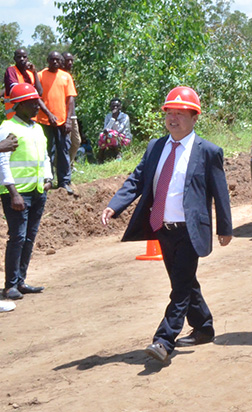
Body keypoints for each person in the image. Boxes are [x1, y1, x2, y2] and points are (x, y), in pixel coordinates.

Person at [100, 86, 232, 362]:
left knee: (180, 287)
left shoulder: (208, 151)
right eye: (169, 113)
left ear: (194, 117)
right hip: (162, 227)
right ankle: (204, 327)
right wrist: (115, 205)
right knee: (184, 281)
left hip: (191, 230)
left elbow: (220, 193)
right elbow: (137, 180)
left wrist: (225, 228)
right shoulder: (156, 147)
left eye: (181, 113)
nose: (173, 118)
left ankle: (163, 340)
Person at [1, 84, 52, 302]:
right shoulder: (7, 128)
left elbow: (45, 155)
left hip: (37, 190)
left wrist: (48, 177)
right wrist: (13, 192)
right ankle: (10, 285)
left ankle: (21, 280)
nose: (36, 107)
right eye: (32, 103)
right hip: (18, 193)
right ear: (19, 105)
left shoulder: (37, 128)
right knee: (18, 237)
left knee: (29, 238)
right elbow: (2, 161)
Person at [36, 51, 77, 195]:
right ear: (47, 60)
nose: (54, 62)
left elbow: (70, 100)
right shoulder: (40, 75)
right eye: (52, 60)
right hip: (44, 120)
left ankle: (64, 182)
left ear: (61, 62)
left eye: (57, 60)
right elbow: (37, 97)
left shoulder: (66, 76)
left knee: (63, 150)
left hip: (62, 122)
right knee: (46, 152)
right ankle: (47, 180)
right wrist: (49, 114)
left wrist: (67, 121)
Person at [4, 49, 54, 122]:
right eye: (19, 57)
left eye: (24, 57)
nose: (22, 59)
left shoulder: (30, 73)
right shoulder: (11, 71)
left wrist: (35, 73)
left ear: (27, 59)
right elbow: (18, 91)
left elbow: (39, 93)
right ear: (14, 59)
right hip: (16, 116)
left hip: (30, 117)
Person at [60, 52, 81, 165]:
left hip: (72, 115)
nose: (70, 63)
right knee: (65, 143)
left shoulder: (68, 76)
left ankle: (68, 164)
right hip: (62, 116)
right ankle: (63, 168)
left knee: (76, 142)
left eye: (71, 60)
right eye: (67, 60)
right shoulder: (58, 76)